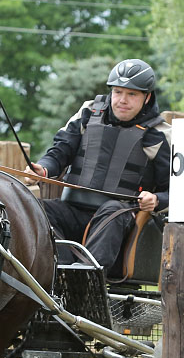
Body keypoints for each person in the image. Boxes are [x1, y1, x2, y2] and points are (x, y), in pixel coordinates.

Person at [29, 58, 171, 269]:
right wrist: (44, 168)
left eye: (132, 94)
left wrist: (156, 199)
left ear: (147, 97)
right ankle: (61, 272)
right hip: (73, 209)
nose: (122, 100)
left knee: (111, 210)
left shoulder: (160, 134)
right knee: (36, 209)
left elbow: (175, 191)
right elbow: (60, 150)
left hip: (120, 219)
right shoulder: (87, 113)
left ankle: (86, 279)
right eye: (118, 92)